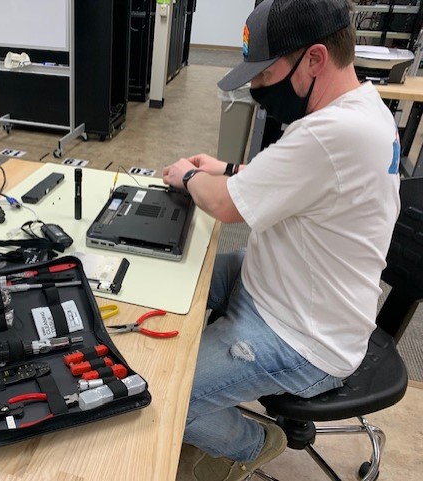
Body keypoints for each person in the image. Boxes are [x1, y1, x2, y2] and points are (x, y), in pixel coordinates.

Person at [162, 1, 401, 480]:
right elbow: (304, 179)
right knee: (170, 277)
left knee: (165, 399)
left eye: (265, 74)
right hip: (275, 283)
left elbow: (226, 206)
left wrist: (188, 175)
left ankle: (253, 443)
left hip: (301, 337)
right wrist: (228, 169)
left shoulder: (334, 130)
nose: (256, 88)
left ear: (314, 59)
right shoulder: (359, 107)